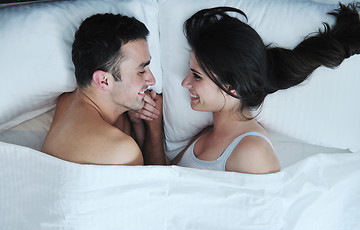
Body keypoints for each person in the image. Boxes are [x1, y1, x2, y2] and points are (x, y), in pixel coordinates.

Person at [162, 4, 359, 173]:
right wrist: (152, 127)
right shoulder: (207, 134)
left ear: (233, 88)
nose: (185, 83)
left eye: (196, 76)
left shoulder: (252, 154)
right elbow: (163, 181)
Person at [41, 13, 167, 165]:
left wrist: (139, 124)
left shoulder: (68, 101)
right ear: (104, 81)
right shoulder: (121, 151)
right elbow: (160, 185)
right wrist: (155, 130)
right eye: (141, 71)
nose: (152, 80)